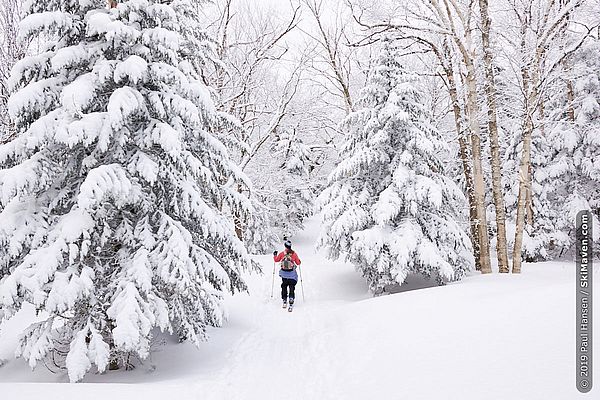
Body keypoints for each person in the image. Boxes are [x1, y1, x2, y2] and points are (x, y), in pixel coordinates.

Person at [273, 240, 301, 308]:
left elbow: (276, 260)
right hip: (292, 275)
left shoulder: (282, 253)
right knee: (292, 286)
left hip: (284, 274)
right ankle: (291, 298)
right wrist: (299, 261)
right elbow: (298, 263)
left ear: (285, 246)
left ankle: (284, 299)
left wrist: (275, 255)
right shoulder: (294, 254)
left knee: (284, 286)